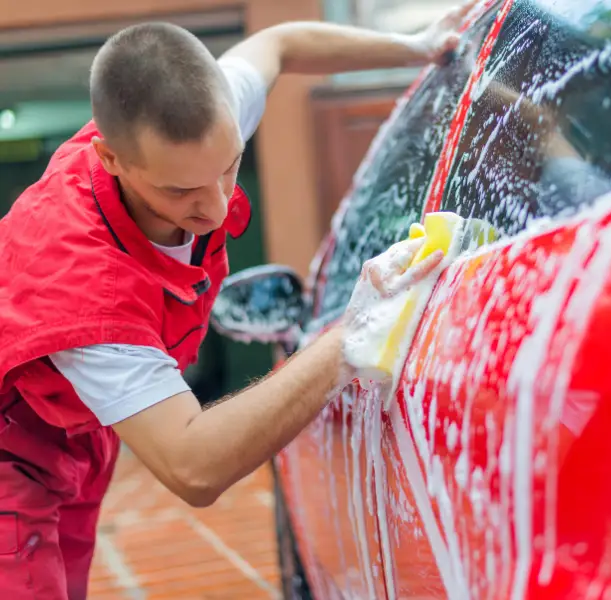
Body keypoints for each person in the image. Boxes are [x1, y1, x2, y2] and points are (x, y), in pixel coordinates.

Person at [0, 3, 476, 597]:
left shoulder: (201, 119)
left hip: (66, 435)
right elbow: (193, 465)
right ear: (111, 160)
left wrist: (419, 46)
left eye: (230, 167)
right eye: (182, 191)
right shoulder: (83, 288)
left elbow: (281, 44)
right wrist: (353, 332)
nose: (218, 207)